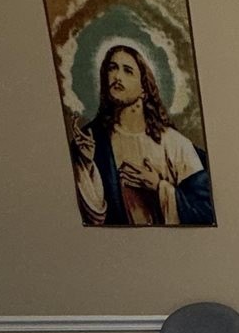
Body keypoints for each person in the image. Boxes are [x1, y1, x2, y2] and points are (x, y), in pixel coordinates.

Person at [68, 42, 214, 226]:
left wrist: (159, 187)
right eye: (112, 68)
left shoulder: (175, 143)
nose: (117, 76)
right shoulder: (92, 139)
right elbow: (91, 220)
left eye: (128, 71)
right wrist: (87, 165)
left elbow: (204, 211)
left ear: (144, 88)